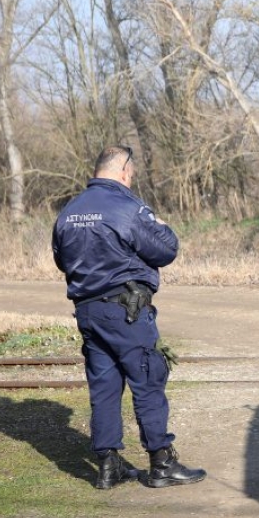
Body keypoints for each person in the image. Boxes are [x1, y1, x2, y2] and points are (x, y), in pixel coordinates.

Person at [52, 145, 206, 490]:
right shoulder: (126, 207)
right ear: (123, 171)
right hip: (126, 311)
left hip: (88, 312)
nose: (131, 181)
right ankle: (161, 462)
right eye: (131, 175)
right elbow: (165, 250)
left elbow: (62, 260)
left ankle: (108, 466)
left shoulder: (68, 212)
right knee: (149, 378)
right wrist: (163, 227)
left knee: (104, 387)